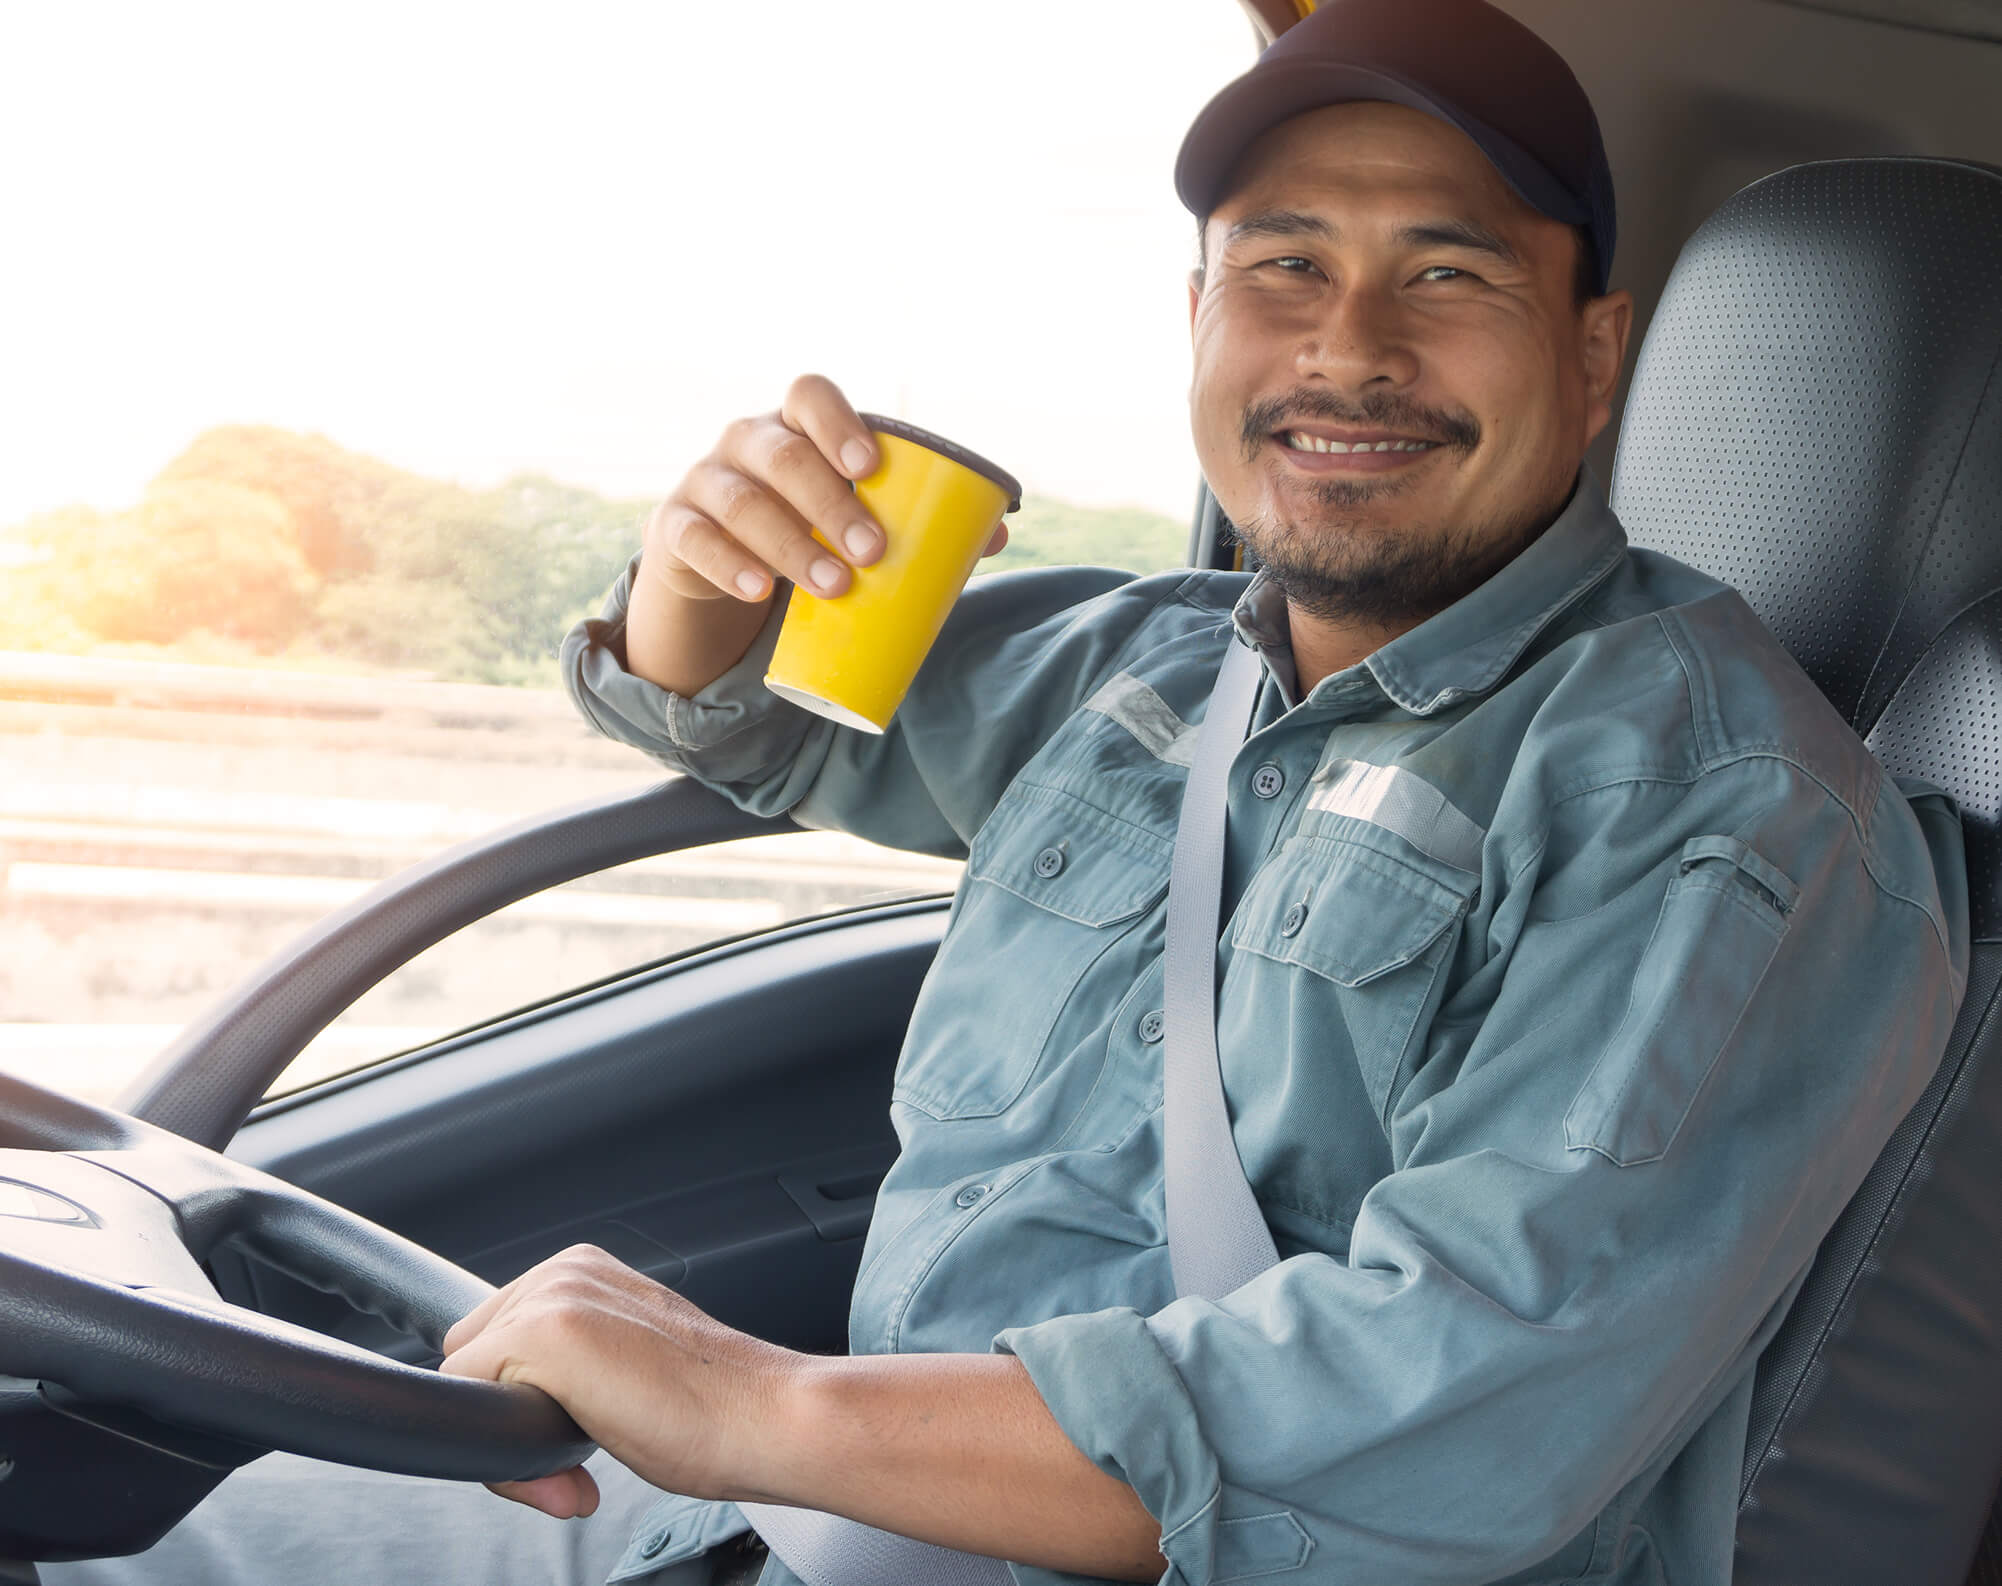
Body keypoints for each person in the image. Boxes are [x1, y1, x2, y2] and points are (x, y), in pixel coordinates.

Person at [49, 1, 1969, 1584]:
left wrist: (762, 1403)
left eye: (1444, 274)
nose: (1346, 348)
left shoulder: (1727, 814)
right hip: (828, 1517)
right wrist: (698, 580)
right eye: (1279, 265)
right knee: (119, 1525)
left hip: (1090, 1539)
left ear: (1594, 351)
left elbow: (1451, 1406)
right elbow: (771, 719)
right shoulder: (1159, 660)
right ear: (1200, 326)